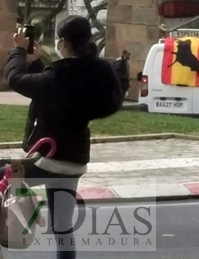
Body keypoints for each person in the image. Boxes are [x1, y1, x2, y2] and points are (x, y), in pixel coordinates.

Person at [3, 15, 118, 259]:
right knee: (63, 229)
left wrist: (18, 52)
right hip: (74, 162)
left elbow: (15, 79)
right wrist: (35, 63)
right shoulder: (97, 71)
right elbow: (53, 90)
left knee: (3, 176)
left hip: (49, 159)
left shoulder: (61, 75)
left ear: (63, 42)